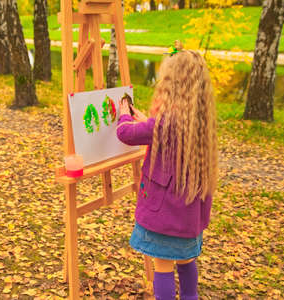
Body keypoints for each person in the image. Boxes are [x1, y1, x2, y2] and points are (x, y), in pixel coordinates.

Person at [116, 41, 218, 300]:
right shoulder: (198, 121)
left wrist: (124, 114)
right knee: (185, 261)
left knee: (162, 267)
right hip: (187, 217)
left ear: (173, 85)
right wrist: (147, 121)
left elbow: (125, 134)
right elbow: (158, 129)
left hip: (166, 218)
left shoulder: (165, 124)